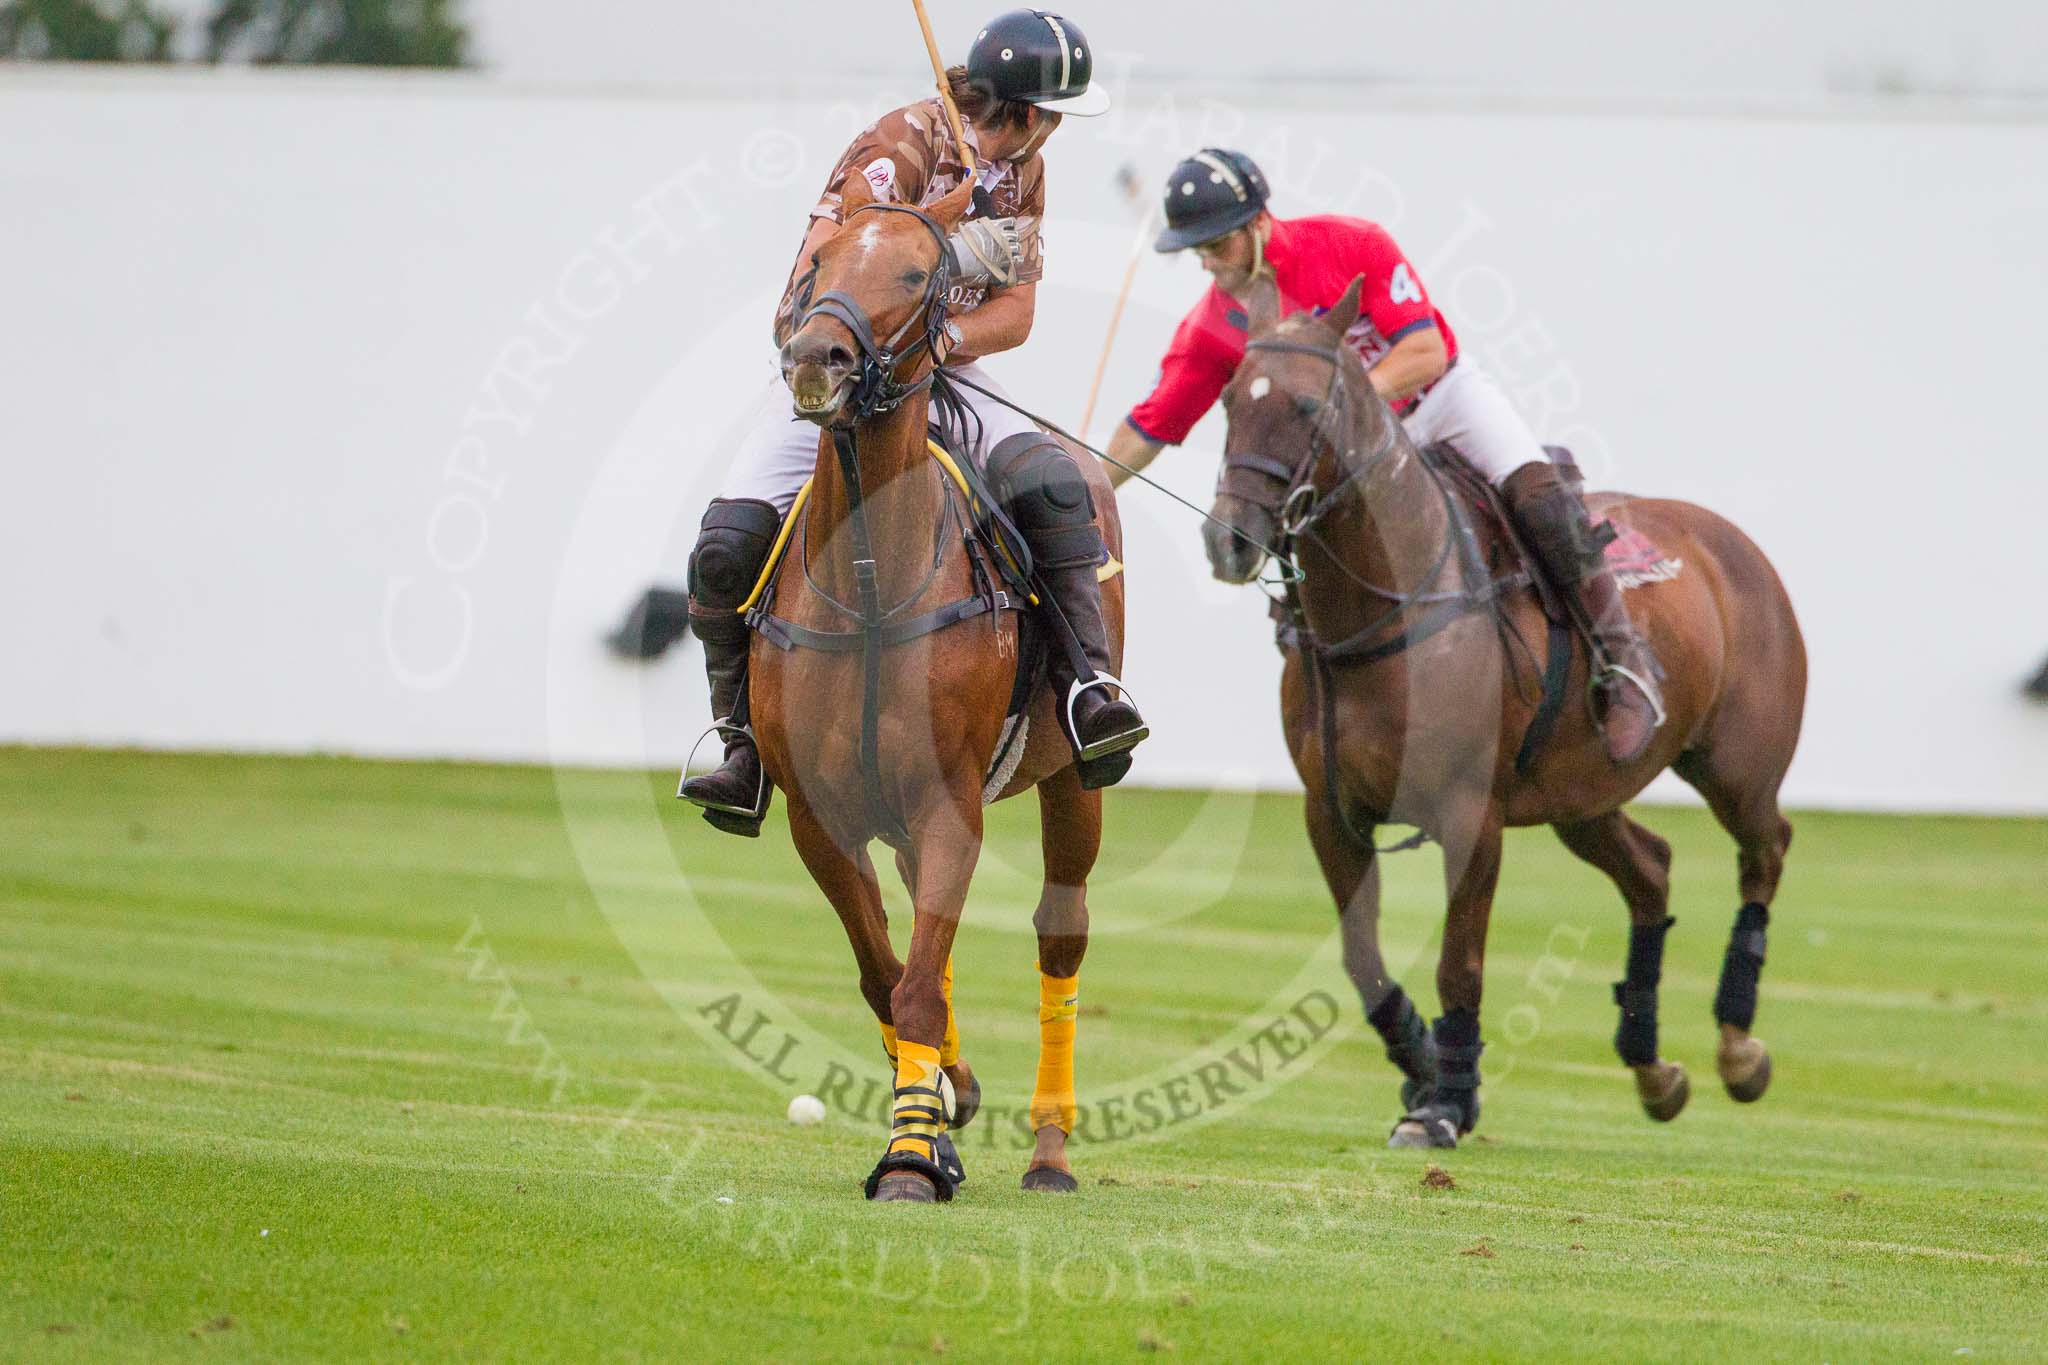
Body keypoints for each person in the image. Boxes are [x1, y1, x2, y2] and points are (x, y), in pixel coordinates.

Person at [679, 9, 1146, 837]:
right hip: (843, 378)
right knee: (726, 543)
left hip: (944, 371)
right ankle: (740, 741)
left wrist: (944, 342)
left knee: (1056, 485)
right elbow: (816, 279)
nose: (1056, 132)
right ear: (1034, 113)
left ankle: (1087, 690)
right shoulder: (899, 144)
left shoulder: (1022, 171)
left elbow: (1019, 312)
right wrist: (941, 232)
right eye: (1059, 116)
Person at [1101, 148, 1663, 765]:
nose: (1207, 262)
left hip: (1441, 402)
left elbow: (1423, 350)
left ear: (1259, 224)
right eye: (1196, 250)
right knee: (1307, 560)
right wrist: (1088, 491)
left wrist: (1346, 404)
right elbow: (1152, 424)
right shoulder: (1213, 325)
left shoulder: (1350, 245)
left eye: (1217, 245)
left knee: (1541, 499)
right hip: (1355, 454)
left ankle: (1626, 664)